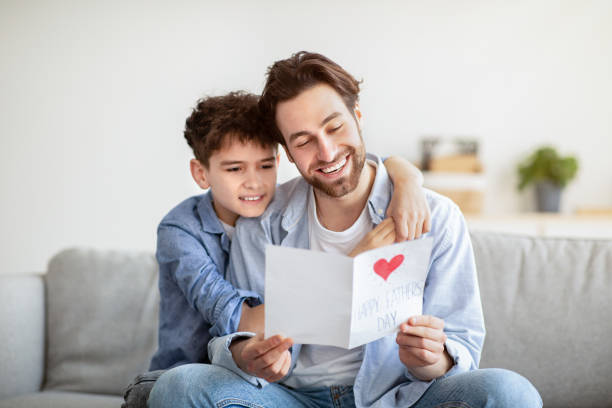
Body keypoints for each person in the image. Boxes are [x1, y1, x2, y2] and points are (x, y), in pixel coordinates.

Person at [147, 52, 543, 408]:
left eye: (334, 127)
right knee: (180, 387)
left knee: (512, 394)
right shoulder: (263, 222)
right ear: (286, 152)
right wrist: (246, 355)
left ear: (358, 115)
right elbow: (236, 333)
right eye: (303, 142)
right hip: (290, 399)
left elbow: (463, 345)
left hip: (398, 397)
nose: (327, 152)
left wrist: (431, 359)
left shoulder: (435, 216)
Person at [121, 91, 430, 408]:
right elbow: (241, 323)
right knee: (160, 391)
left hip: (259, 383)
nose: (254, 183)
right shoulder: (181, 233)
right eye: (235, 169)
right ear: (201, 174)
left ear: (280, 161)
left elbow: (365, 163)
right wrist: (350, 266)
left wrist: (406, 176)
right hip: (201, 374)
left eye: (265, 166)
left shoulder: (276, 219)